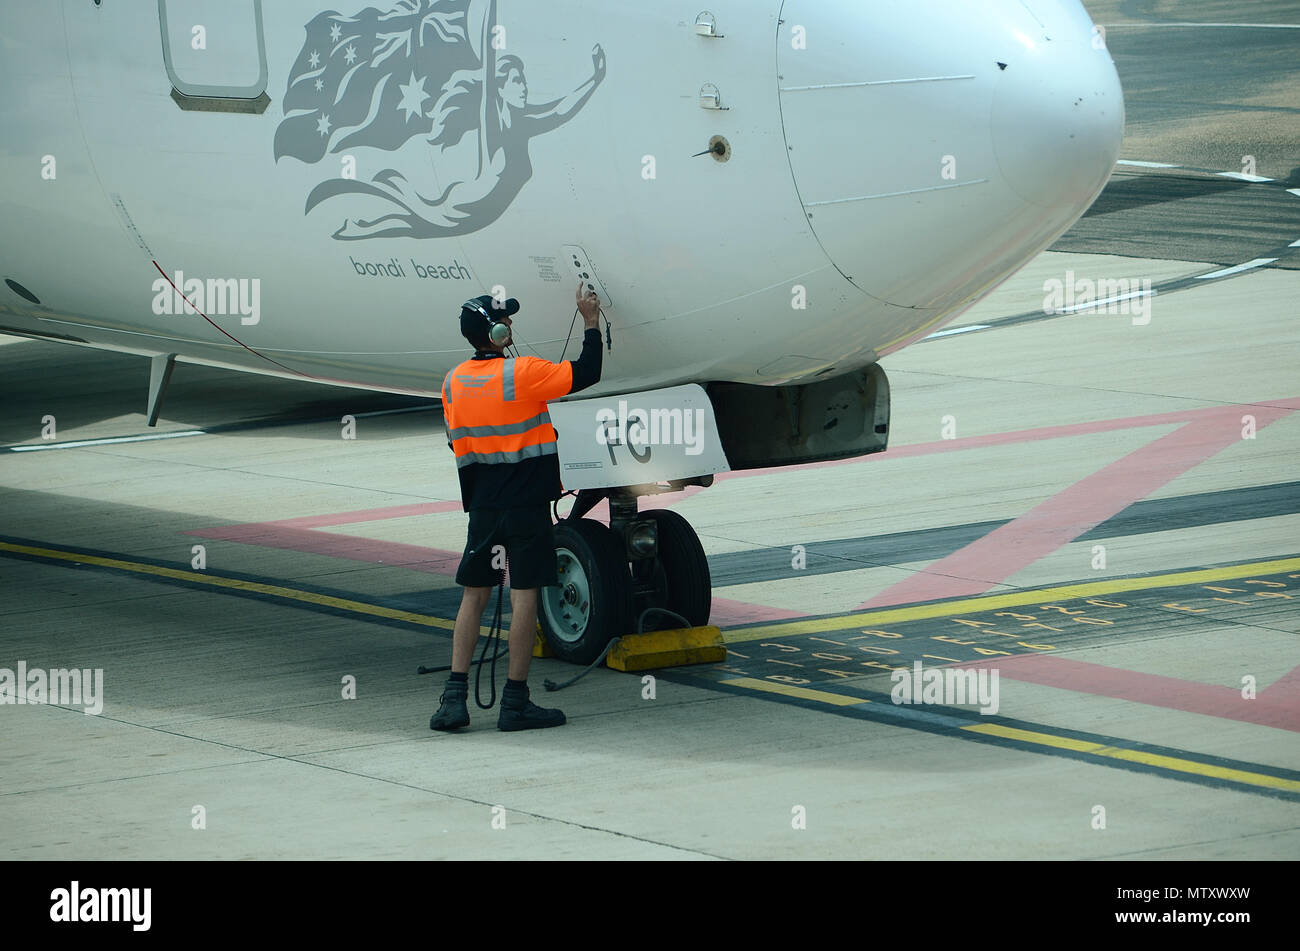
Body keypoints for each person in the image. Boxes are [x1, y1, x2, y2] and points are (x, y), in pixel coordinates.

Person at [431, 282, 604, 731]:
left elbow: (456, 442)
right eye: (506, 319)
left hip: (484, 509)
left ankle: (453, 699)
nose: (511, 324)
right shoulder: (522, 373)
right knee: (525, 598)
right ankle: (514, 703)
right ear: (496, 333)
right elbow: (587, 372)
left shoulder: (452, 383)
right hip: (527, 507)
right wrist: (590, 321)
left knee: (474, 596)